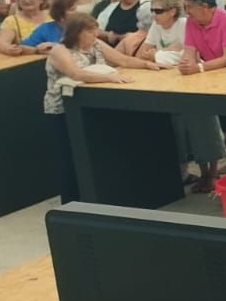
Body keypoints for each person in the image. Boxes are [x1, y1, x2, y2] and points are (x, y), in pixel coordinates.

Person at [44, 13, 156, 203]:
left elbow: (123, 60)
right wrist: (110, 77)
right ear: (76, 32)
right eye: (89, 31)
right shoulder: (60, 50)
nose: (94, 34)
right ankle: (72, 200)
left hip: (93, 106)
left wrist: (148, 64)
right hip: (64, 109)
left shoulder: (96, 44)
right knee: (69, 154)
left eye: (95, 29)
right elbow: (75, 73)